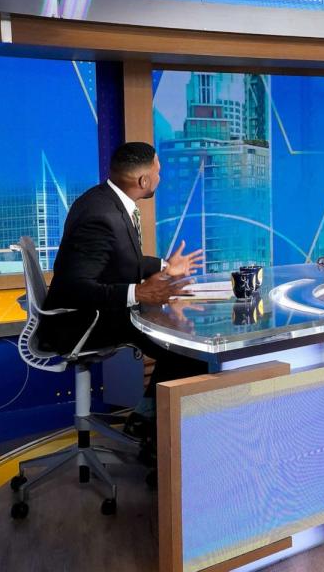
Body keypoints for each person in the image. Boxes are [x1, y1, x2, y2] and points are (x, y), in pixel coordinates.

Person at [40, 141, 207, 449]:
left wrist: (167, 266)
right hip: (82, 322)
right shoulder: (100, 216)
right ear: (143, 181)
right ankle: (160, 434)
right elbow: (74, 288)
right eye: (158, 171)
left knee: (178, 340)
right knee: (187, 349)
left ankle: (147, 420)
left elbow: (122, 260)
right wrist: (137, 291)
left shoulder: (107, 201)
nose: (161, 177)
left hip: (99, 312)